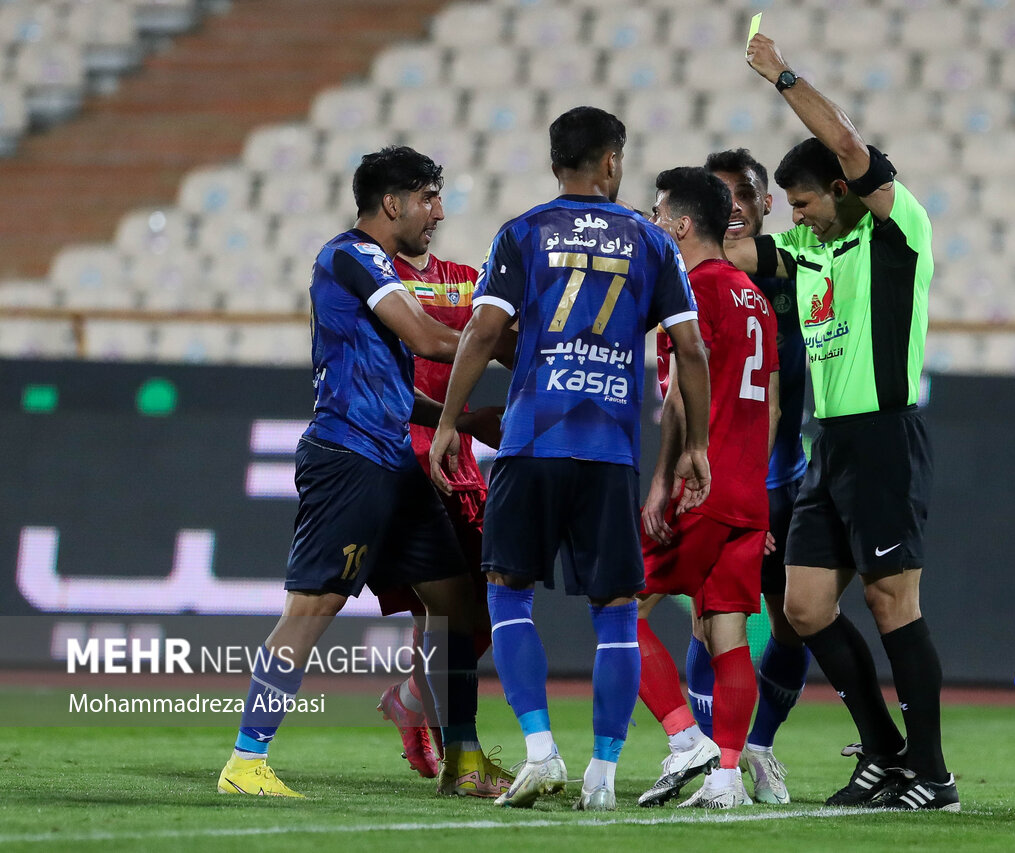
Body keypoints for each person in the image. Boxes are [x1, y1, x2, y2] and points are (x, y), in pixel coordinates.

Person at [428, 106, 712, 812]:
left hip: (532, 438)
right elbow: (693, 350)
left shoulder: (523, 232)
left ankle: (538, 751)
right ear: (611, 161)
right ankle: (604, 775)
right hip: (610, 448)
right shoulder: (652, 241)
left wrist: (445, 424)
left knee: (508, 592)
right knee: (616, 609)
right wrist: (697, 444)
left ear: (557, 162)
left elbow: (482, 331)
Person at [726, 33, 960, 811]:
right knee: (803, 606)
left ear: (840, 188)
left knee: (895, 602)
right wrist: (679, 227)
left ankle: (931, 773)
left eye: (805, 203)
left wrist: (783, 76)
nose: (798, 218)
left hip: (886, 436)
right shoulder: (808, 247)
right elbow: (737, 255)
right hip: (830, 447)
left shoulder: (899, 233)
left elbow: (850, 141)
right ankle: (886, 755)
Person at [216, 146, 493, 798]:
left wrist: (464, 417)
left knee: (456, 604)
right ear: (392, 202)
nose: (438, 212)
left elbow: (391, 386)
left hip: (394, 454)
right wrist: (516, 340)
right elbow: (427, 338)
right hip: (350, 457)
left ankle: (463, 759)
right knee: (314, 606)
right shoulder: (351, 255)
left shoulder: (374, 265)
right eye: (428, 197)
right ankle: (246, 761)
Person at [634, 166, 779, 811]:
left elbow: (680, 399)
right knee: (726, 633)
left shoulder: (689, 292)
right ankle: (725, 774)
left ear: (684, 224)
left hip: (703, 486)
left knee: (618, 609)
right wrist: (755, 484)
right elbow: (772, 405)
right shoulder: (755, 296)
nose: (656, 223)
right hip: (748, 492)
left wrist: (666, 478)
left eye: (661, 214)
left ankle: (683, 737)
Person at [672, 148, 812, 806]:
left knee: (792, 622)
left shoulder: (778, 267)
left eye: (742, 198)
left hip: (775, 477)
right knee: (710, 620)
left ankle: (755, 745)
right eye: (717, 198)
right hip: (730, 474)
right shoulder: (698, 282)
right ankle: (715, 755)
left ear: (764, 208)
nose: (731, 209)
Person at [373, 245, 512, 798]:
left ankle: (412, 699)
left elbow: (501, 336)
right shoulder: (376, 277)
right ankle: (457, 749)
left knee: (476, 609)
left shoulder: (464, 278)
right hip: (404, 453)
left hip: (457, 452)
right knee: (434, 609)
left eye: (438, 198)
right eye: (426, 198)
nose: (436, 211)